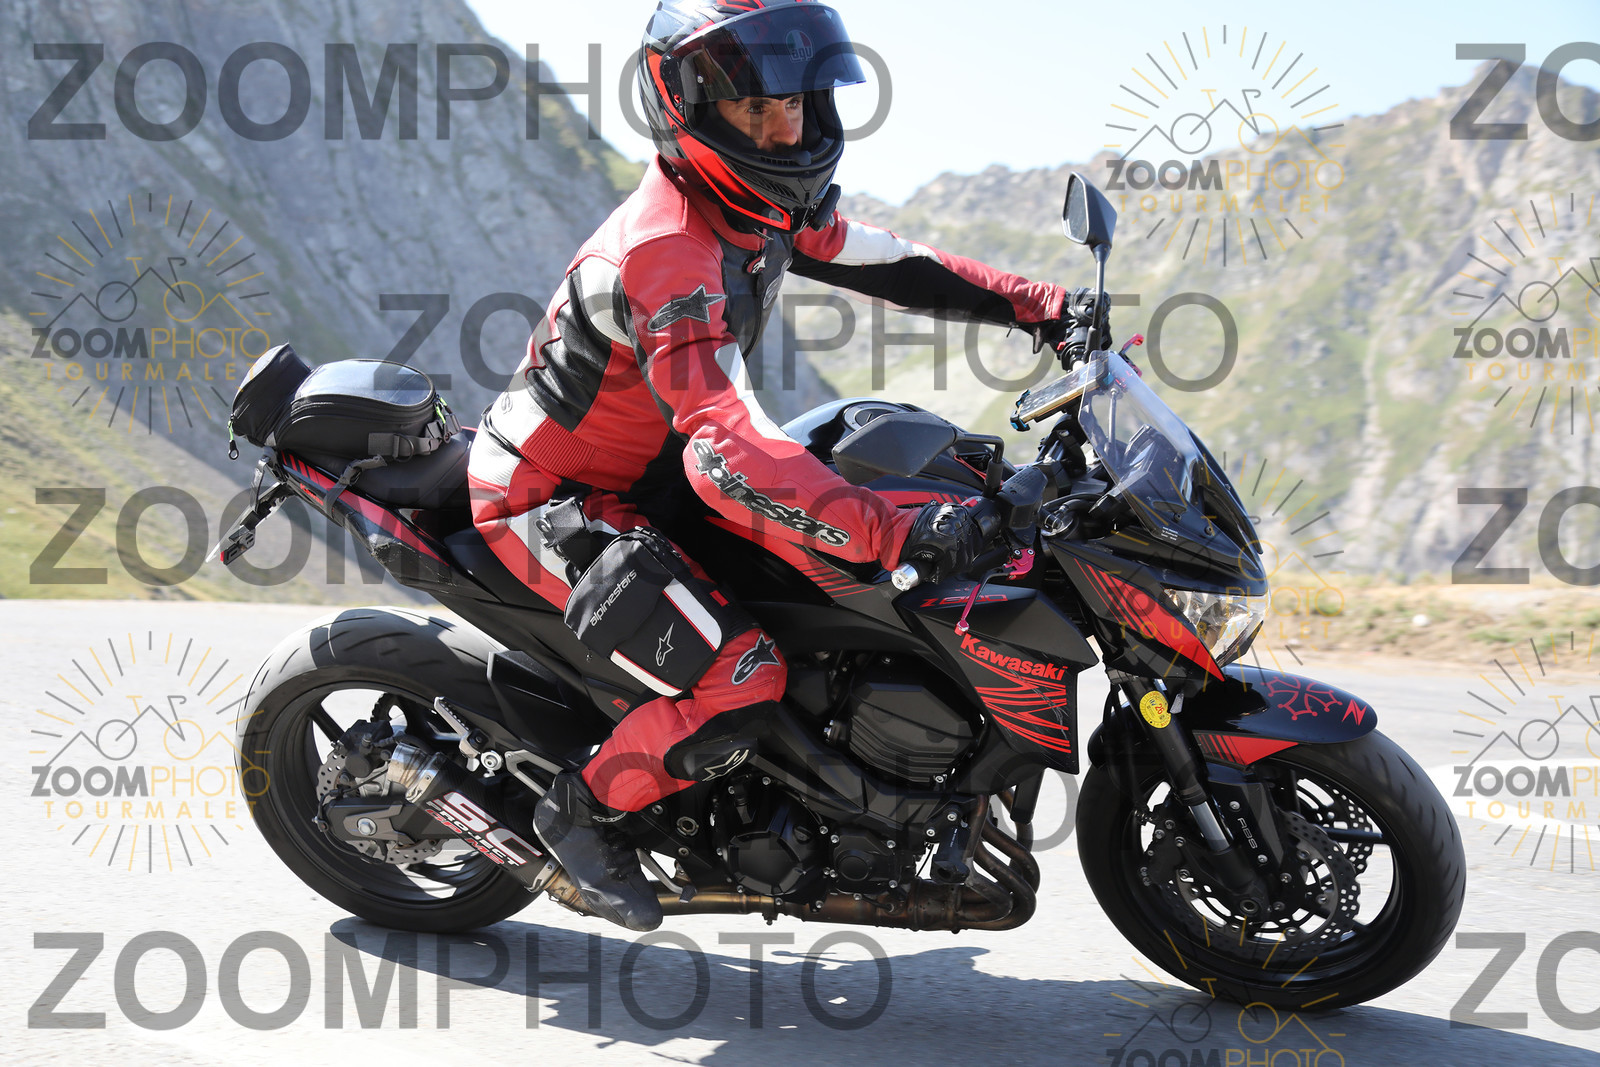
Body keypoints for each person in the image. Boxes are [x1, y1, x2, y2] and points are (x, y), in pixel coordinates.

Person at [466, 0, 1108, 931]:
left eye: (799, 102)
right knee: (743, 673)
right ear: (689, 105)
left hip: (656, 476)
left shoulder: (758, 205)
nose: (786, 129)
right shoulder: (666, 247)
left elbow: (897, 264)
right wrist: (897, 531)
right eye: (756, 106)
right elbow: (723, 438)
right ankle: (582, 812)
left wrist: (1042, 305)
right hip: (555, 498)